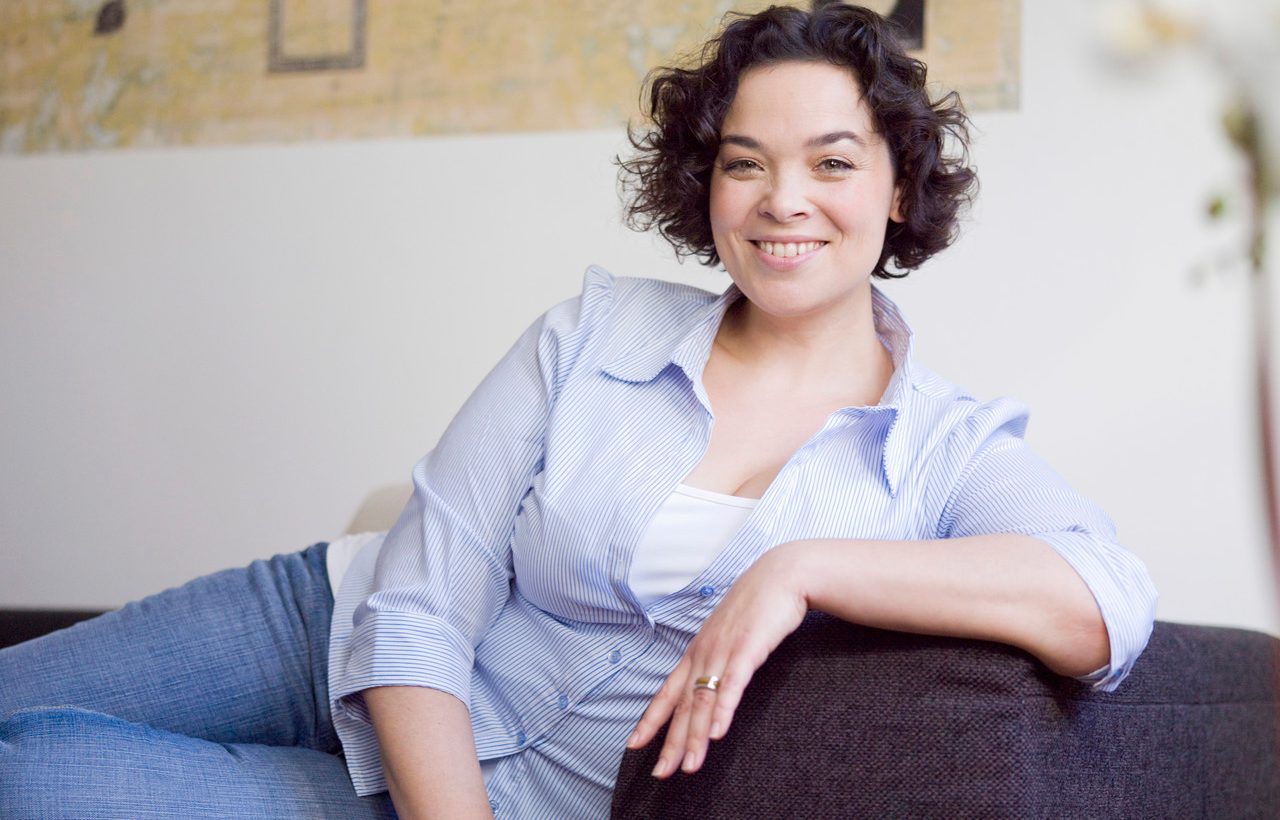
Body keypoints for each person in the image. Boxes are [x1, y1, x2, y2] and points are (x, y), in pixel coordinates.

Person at [0, 2, 1158, 818]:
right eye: (743, 162)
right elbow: (414, 606)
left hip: (485, 789)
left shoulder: (939, 450)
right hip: (325, 625)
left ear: (899, 186)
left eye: (831, 162)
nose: (780, 200)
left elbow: (1103, 598)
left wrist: (800, 566)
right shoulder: (593, 332)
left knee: (32, 779)